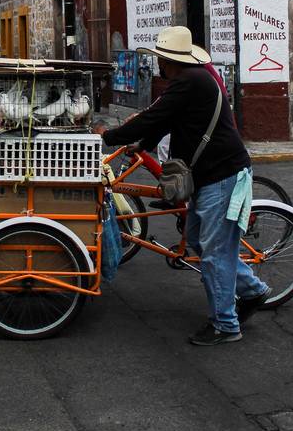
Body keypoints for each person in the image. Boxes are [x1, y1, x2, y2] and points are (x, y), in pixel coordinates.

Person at [93, 26, 270, 346]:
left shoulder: (190, 81)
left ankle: (225, 325)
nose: (159, 64)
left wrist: (108, 136)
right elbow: (166, 122)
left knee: (214, 253)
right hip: (211, 176)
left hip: (221, 176)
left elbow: (154, 117)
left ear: (168, 60)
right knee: (200, 244)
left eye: (161, 59)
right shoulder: (191, 79)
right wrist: (142, 144)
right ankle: (253, 291)